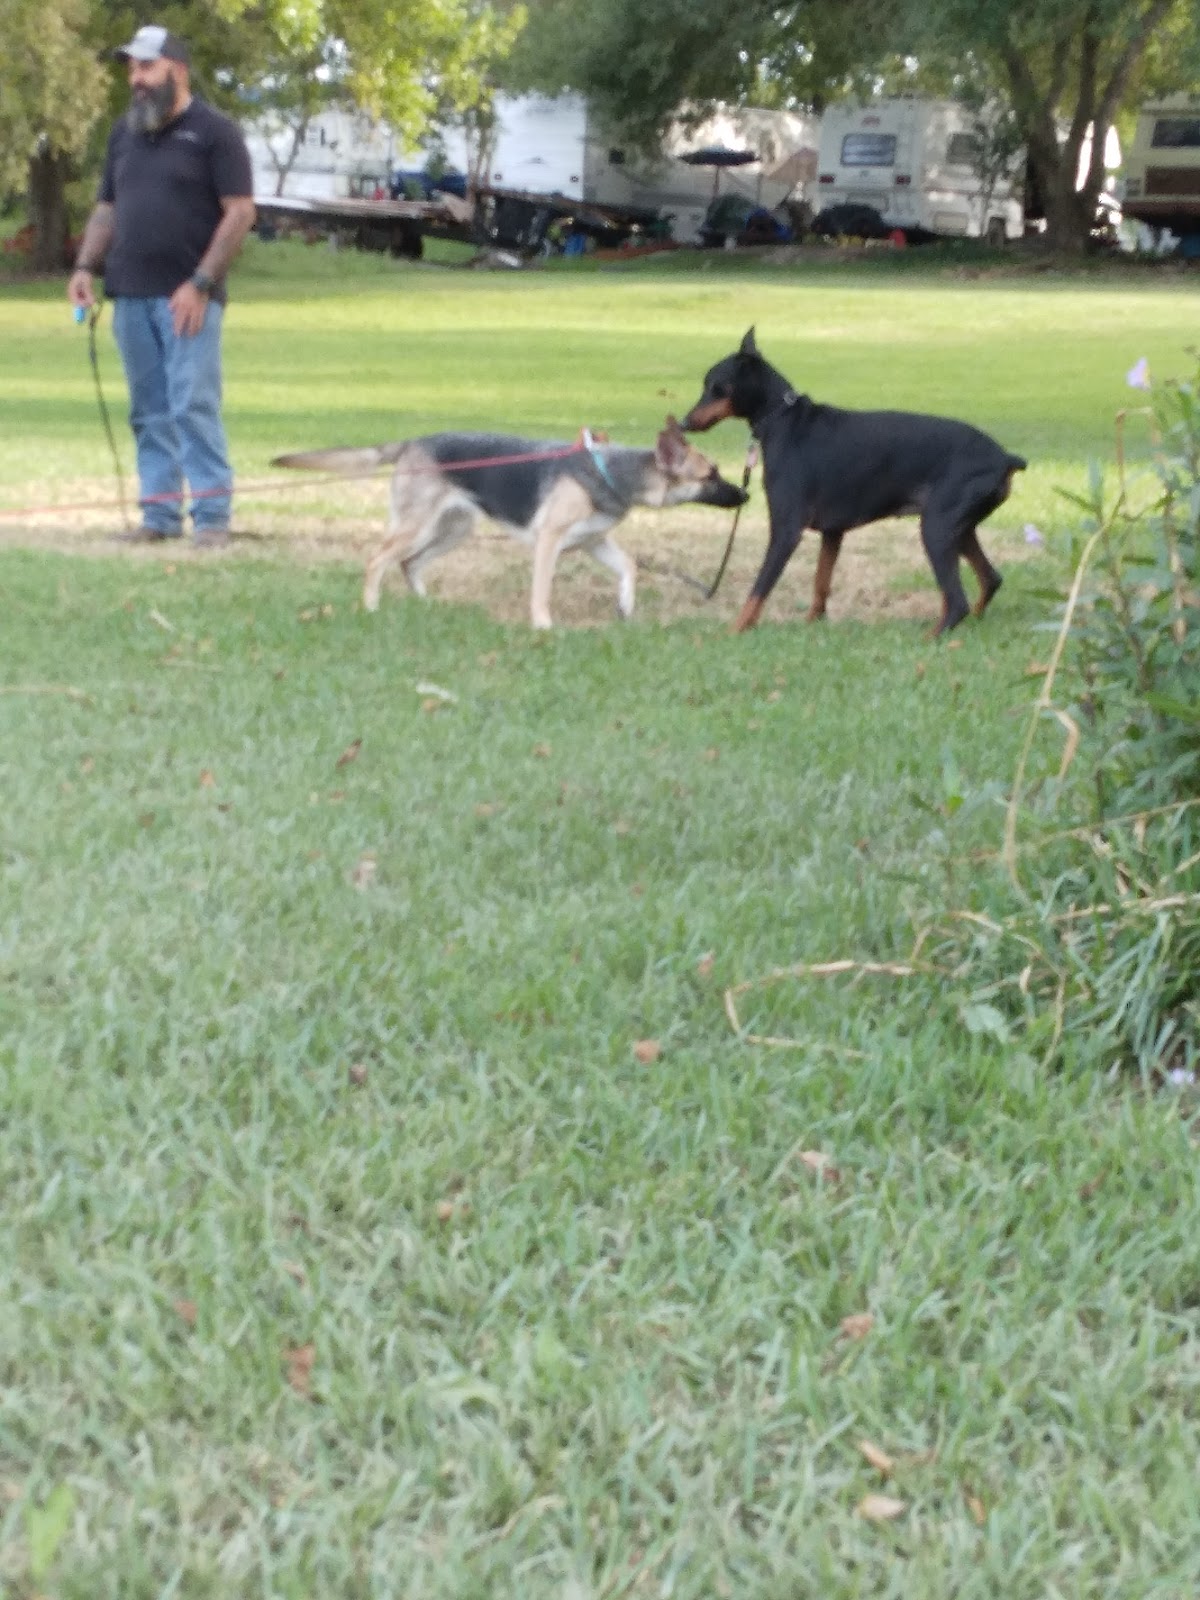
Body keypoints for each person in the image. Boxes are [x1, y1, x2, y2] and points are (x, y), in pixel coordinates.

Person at [67, 25, 256, 548]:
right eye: (132, 68)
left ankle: (213, 518)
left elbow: (240, 213)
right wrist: (85, 267)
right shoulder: (123, 134)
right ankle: (159, 517)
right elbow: (106, 207)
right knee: (148, 410)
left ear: (177, 69)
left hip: (187, 297)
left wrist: (200, 282)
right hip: (129, 293)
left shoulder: (216, 132)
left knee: (192, 403)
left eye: (146, 67)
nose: (137, 79)